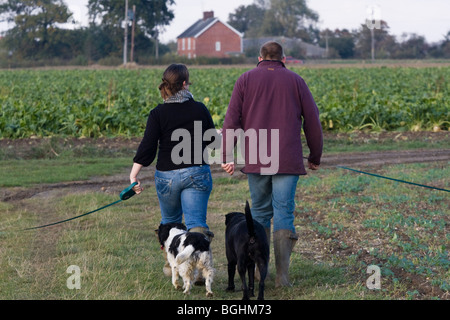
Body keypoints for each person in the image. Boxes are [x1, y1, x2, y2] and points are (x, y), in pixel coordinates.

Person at [221, 41, 323, 287]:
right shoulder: (296, 81)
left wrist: (226, 155)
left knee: (260, 213)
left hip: (256, 158)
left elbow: (232, 120)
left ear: (259, 58)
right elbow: (312, 119)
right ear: (283, 59)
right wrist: (314, 155)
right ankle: (282, 276)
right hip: (287, 158)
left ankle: (259, 273)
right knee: (284, 212)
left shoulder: (245, 80)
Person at [129, 64, 216, 275]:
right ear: (185, 84)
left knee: (169, 222)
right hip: (196, 172)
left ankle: (172, 266)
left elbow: (147, 146)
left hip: (166, 176)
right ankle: (196, 271)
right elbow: (213, 142)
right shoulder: (199, 109)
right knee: (196, 224)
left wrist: (134, 175)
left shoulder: (158, 113)